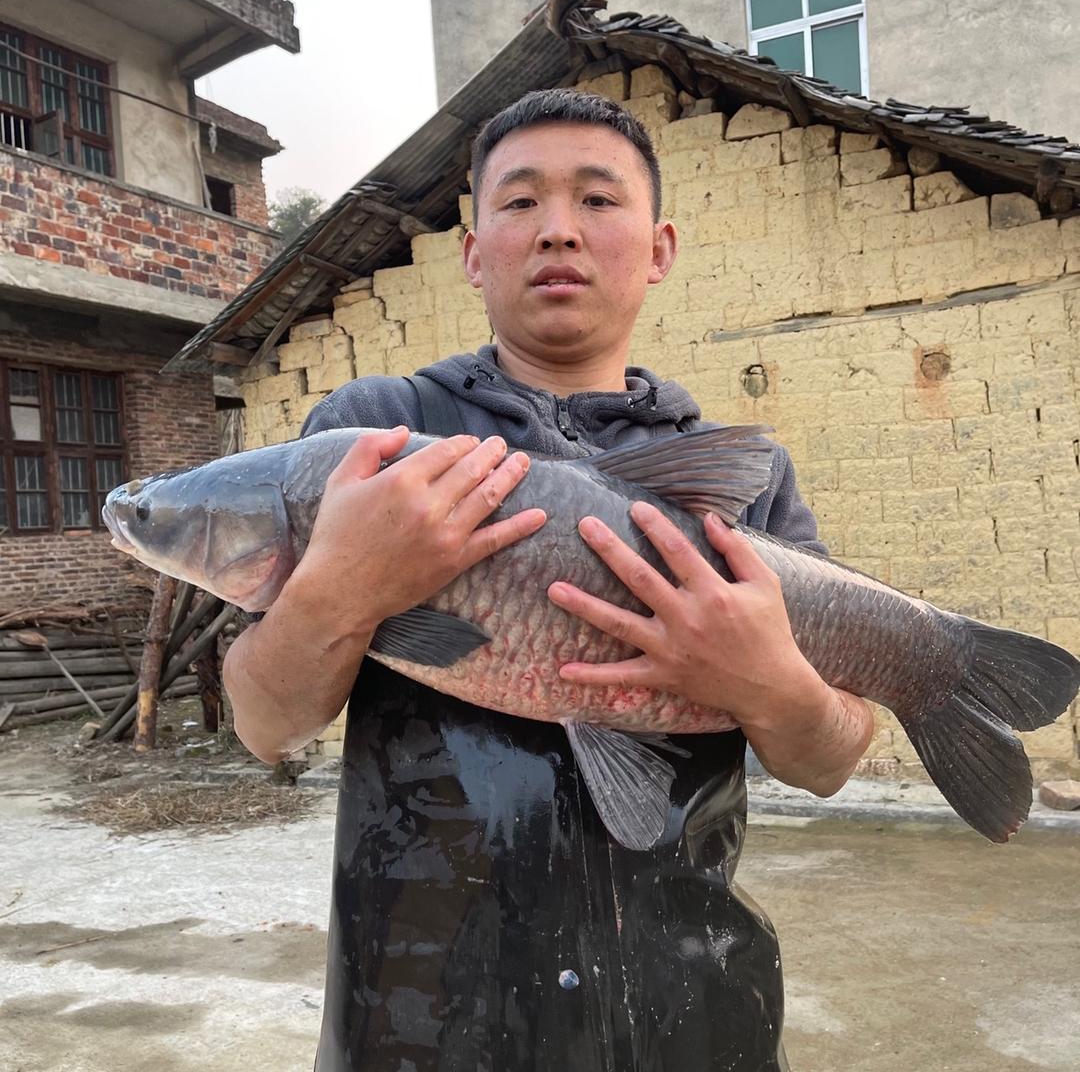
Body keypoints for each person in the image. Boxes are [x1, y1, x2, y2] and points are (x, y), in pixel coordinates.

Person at [224, 89, 874, 1071]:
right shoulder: (377, 438)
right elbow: (266, 723)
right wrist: (342, 584)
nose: (558, 229)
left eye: (597, 200)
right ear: (475, 251)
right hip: (419, 1020)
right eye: (520, 202)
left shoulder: (741, 475)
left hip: (695, 1019)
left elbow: (829, 757)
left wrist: (764, 679)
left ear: (657, 249)